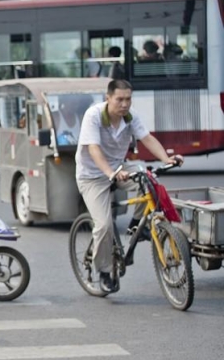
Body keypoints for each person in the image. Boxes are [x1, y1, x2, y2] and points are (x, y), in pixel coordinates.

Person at [75, 79, 182, 293]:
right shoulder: (93, 115)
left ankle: (136, 226)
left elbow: (147, 138)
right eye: (120, 99)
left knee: (149, 179)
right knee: (104, 226)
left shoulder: (130, 117)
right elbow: (94, 149)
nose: (124, 104)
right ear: (108, 98)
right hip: (93, 176)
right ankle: (104, 271)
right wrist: (110, 173)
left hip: (120, 168)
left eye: (128, 99)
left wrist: (166, 159)